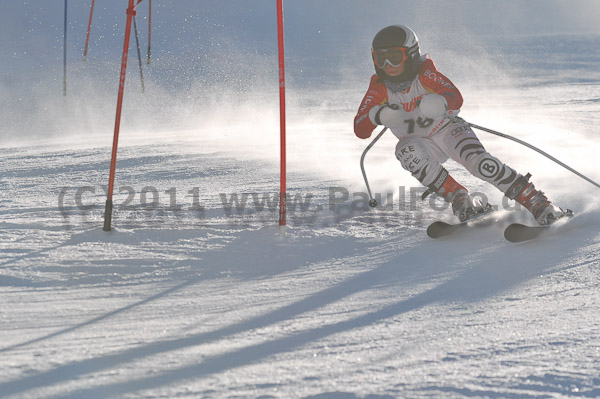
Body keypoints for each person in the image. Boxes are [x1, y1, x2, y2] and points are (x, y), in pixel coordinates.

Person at [354, 24, 569, 225]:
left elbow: (455, 97)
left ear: (410, 54)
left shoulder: (425, 74)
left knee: (481, 164)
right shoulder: (380, 88)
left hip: (447, 130)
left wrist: (440, 101)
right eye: (380, 58)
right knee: (405, 150)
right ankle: (459, 197)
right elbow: (360, 128)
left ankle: (539, 203)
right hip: (420, 144)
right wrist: (377, 114)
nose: (387, 65)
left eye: (394, 57)